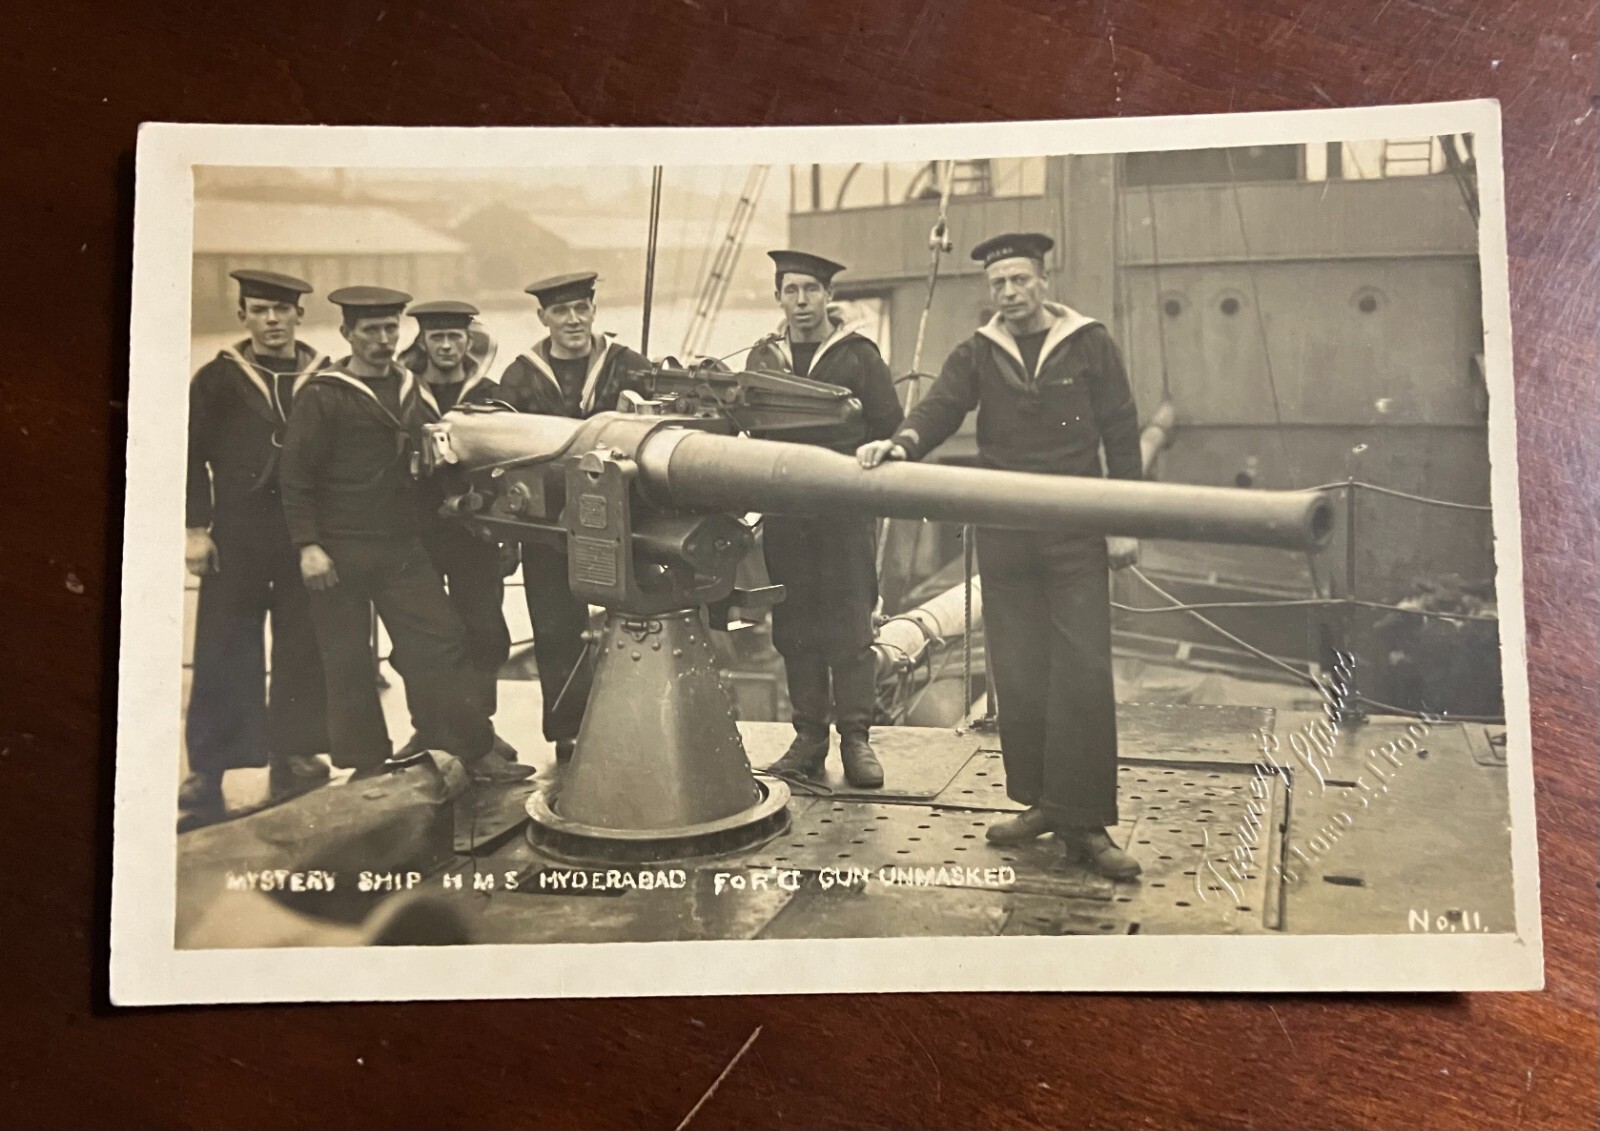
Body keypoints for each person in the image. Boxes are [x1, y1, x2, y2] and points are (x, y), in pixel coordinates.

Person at [855, 233, 1143, 881]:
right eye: (998, 284)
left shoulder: (1089, 343)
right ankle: (1042, 803)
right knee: (1019, 669)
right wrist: (900, 444)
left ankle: (1087, 822)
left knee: (1082, 670)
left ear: (1044, 280)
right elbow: (939, 407)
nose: (1009, 293)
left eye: (1019, 280)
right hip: (1006, 534)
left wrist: (1125, 522)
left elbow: (1123, 429)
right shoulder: (981, 352)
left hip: (1076, 530)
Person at [278, 285, 531, 784]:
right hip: (338, 549)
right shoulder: (324, 395)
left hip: (399, 547)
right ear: (347, 333)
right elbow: (296, 476)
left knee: (442, 641)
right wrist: (308, 545)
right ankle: (366, 763)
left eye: (390, 328)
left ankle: (470, 748)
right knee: (347, 659)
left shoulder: (412, 391)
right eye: (370, 330)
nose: (382, 339)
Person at [746, 250, 904, 788]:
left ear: (829, 296)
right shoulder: (764, 358)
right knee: (794, 626)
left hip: (842, 514)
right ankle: (809, 738)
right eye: (790, 291)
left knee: (850, 624)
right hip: (786, 514)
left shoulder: (858, 356)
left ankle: (856, 738)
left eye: (811, 290)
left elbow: (890, 425)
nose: (801, 301)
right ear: (778, 297)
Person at [181, 269, 332, 831]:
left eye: (282, 311)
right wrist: (197, 530)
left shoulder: (325, 377)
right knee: (223, 646)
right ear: (242, 315)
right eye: (260, 310)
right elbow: (191, 457)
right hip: (237, 533)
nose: (272, 321)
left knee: (303, 640)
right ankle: (209, 769)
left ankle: (294, 750)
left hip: (303, 532)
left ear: (299, 316)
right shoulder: (215, 379)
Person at [495, 272, 651, 764]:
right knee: (556, 629)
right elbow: (502, 453)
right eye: (561, 311)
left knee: (637, 623)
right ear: (543, 318)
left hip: (625, 523)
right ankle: (570, 733)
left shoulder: (627, 366)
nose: (573, 320)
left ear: (594, 310)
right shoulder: (520, 377)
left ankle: (640, 723)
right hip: (549, 529)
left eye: (581, 308)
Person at [395, 300, 519, 763]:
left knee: (484, 629)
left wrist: (504, 526)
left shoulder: (490, 392)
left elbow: (512, 462)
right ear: (423, 342)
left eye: (455, 337)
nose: (446, 346)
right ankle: (426, 729)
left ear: (469, 341)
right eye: (437, 338)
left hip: (477, 532)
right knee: (418, 637)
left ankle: (479, 731)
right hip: (417, 532)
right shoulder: (403, 391)